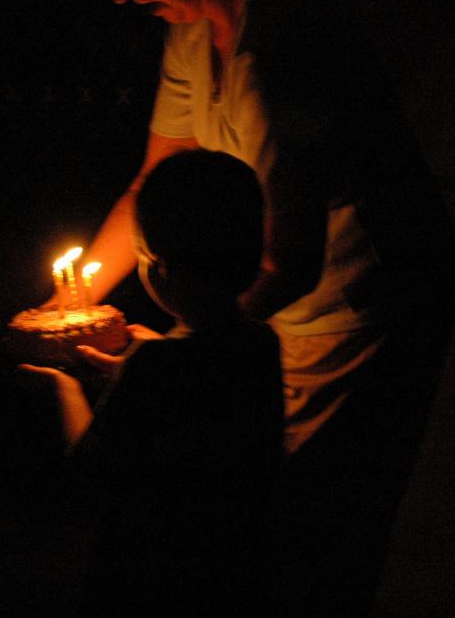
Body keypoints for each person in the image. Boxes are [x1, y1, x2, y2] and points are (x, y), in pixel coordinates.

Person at [63, 0, 455, 615]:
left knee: (315, 530)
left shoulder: (281, 47)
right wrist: (73, 298)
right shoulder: (189, 28)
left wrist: (179, 349)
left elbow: (290, 260)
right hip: (272, 304)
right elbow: (153, 181)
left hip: (361, 301)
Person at [20, 148, 282, 616]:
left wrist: (64, 387)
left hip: (148, 575)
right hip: (233, 569)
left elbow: (89, 467)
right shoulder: (261, 342)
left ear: (160, 267)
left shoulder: (155, 362)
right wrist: (143, 361)